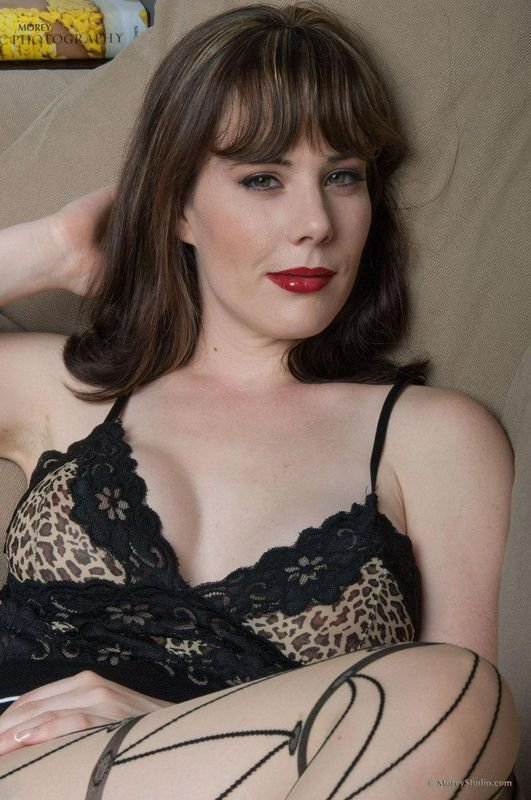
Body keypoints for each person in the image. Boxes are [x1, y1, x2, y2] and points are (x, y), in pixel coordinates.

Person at [0, 2, 521, 797]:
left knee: (452, 691)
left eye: (342, 177)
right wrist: (51, 250)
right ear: (178, 206)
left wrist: (159, 732)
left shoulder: (433, 437)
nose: (315, 224)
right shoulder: (61, 387)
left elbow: (467, 751)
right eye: (262, 179)